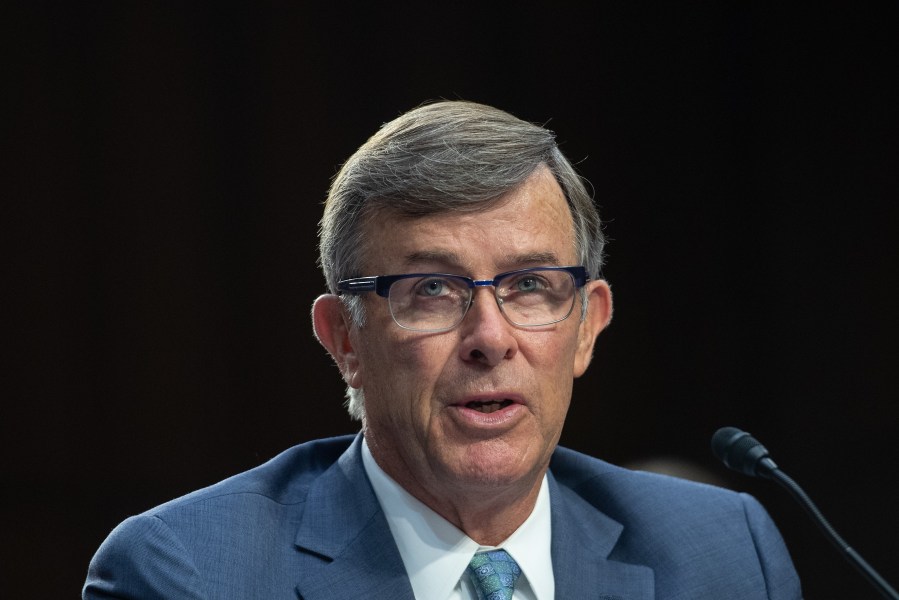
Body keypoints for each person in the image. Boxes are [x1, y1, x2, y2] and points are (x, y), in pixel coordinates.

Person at [84, 101, 802, 599]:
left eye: (529, 286)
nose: (489, 338)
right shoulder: (192, 575)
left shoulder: (722, 553)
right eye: (430, 289)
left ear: (586, 325)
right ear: (344, 340)